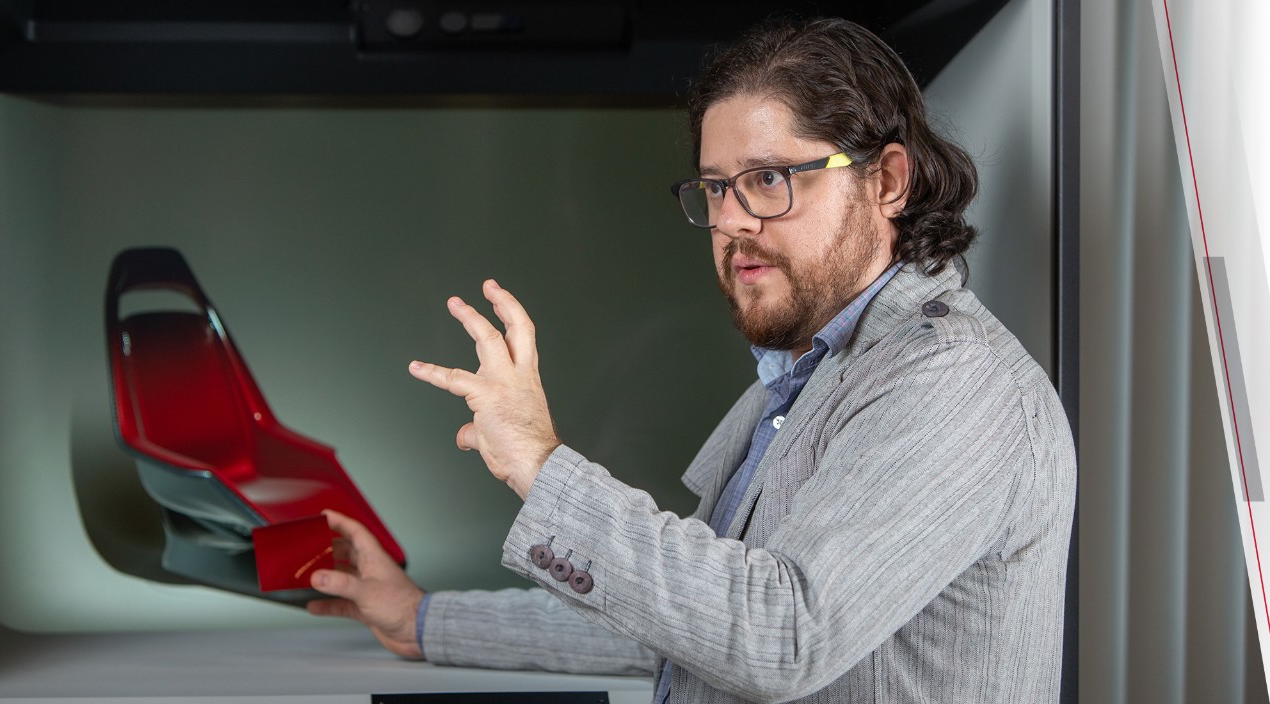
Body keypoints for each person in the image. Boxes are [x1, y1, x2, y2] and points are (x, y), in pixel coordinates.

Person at [306, 16, 1077, 704]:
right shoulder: (804, 382)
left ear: (887, 180)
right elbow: (681, 622)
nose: (732, 221)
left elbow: (780, 637)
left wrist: (542, 465)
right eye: (715, 188)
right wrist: (423, 619)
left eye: (770, 180)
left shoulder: (954, 384)